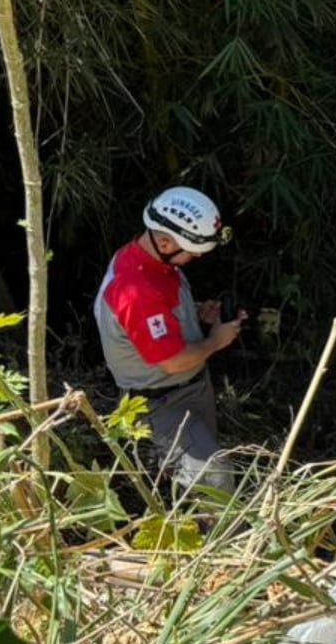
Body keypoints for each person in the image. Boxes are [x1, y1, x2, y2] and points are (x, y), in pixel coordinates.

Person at [94, 185, 244, 495]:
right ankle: (220, 525)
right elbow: (172, 361)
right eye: (192, 251)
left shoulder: (151, 260)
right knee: (214, 477)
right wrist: (216, 340)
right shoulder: (136, 291)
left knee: (197, 480)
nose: (196, 257)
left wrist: (194, 314)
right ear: (164, 242)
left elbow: (154, 322)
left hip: (190, 387)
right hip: (160, 402)